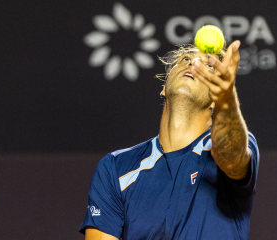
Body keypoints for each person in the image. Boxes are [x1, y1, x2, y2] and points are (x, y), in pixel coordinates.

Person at [79, 40, 260, 240]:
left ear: (214, 99)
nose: (194, 64)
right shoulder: (115, 167)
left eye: (207, 66)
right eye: (185, 59)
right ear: (164, 87)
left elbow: (233, 158)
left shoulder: (233, 143)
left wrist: (226, 100)